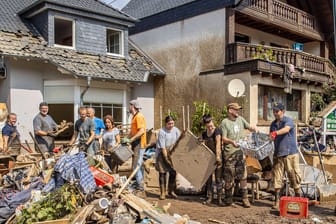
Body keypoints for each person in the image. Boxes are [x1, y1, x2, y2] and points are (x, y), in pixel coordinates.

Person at [221, 102, 256, 208]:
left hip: (240, 153)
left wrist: (253, 129)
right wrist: (232, 142)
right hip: (230, 155)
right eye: (236, 109)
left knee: (243, 177)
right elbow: (223, 138)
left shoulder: (240, 119)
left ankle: (245, 199)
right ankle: (228, 199)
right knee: (229, 178)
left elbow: (249, 127)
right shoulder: (225, 122)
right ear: (230, 110)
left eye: (238, 109)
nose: (237, 111)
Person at [269, 102, 301, 210]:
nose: (275, 113)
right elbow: (271, 137)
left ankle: (298, 199)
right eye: (273, 111)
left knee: (294, 177)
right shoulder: (273, 124)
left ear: (283, 111)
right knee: (277, 178)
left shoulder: (288, 121)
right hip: (278, 153)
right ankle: (276, 201)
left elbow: (286, 129)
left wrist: (276, 133)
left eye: (277, 111)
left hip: (290, 153)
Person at [123, 99, 147, 191]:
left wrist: (131, 139)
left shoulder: (139, 117)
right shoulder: (134, 117)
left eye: (130, 105)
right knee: (137, 164)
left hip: (139, 144)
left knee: (136, 165)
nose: (129, 107)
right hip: (135, 143)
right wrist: (127, 138)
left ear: (133, 106)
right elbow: (133, 132)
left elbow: (141, 131)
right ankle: (138, 183)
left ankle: (140, 186)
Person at [155, 115, 181, 200]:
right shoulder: (162, 132)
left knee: (173, 173)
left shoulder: (176, 130)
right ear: (165, 124)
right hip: (163, 154)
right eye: (169, 124)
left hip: (173, 153)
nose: (171, 125)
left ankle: (171, 191)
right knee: (162, 173)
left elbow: (180, 141)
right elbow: (162, 147)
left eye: (172, 123)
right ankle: (163, 192)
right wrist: (166, 158)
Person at [201, 114, 223, 206]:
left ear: (212, 121)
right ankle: (209, 198)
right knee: (209, 179)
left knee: (218, 179)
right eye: (207, 124)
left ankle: (219, 199)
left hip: (217, 158)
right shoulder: (204, 133)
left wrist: (218, 157)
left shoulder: (217, 131)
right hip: (208, 159)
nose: (210, 125)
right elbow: (202, 145)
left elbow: (218, 144)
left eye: (210, 123)